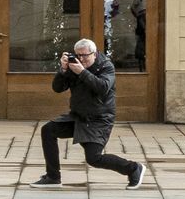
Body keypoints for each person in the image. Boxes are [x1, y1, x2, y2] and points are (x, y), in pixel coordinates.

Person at [32, 39, 144, 188]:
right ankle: (53, 177)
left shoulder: (106, 67)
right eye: (78, 55)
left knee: (94, 158)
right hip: (78, 116)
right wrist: (63, 70)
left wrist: (82, 72)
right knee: (48, 130)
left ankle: (134, 168)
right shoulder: (74, 65)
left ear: (94, 54)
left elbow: (102, 87)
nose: (81, 59)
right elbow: (58, 88)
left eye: (85, 55)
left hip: (99, 119)